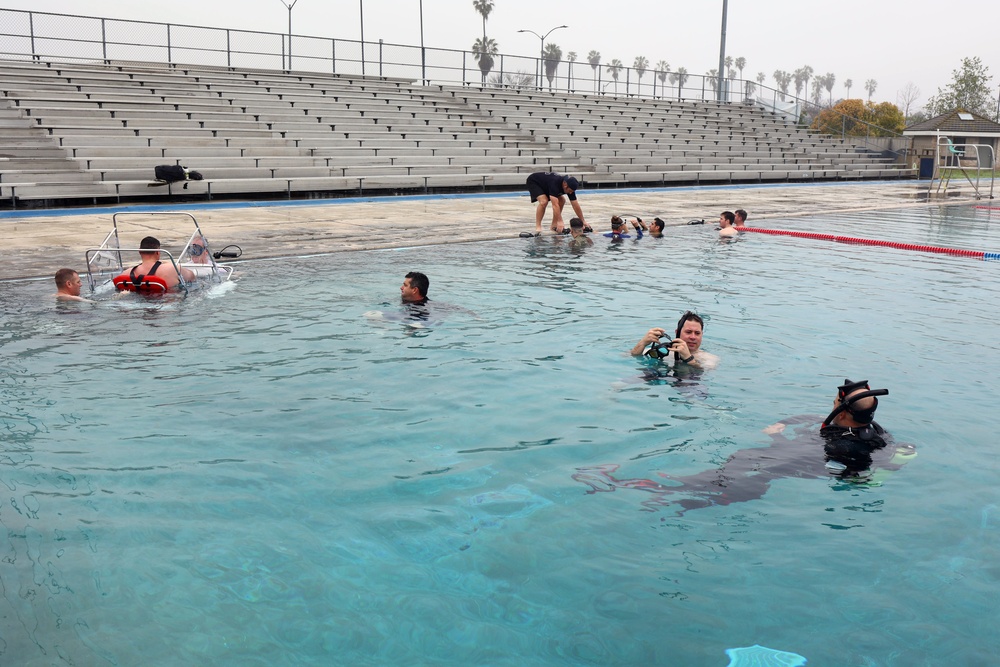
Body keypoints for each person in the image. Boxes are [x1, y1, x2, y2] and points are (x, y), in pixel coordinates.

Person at [573, 379, 915, 513]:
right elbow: (881, 467)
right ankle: (646, 492)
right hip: (773, 468)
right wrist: (787, 423)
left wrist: (778, 437)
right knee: (712, 481)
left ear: (840, 404)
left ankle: (621, 486)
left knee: (710, 483)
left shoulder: (840, 446)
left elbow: (813, 456)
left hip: (764, 470)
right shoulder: (875, 433)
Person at [630, 311, 719, 370]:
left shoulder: (709, 358)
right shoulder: (665, 350)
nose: (693, 337)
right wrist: (642, 343)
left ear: (702, 335)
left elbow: (703, 372)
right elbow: (630, 356)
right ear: (677, 332)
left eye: (697, 333)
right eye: (688, 332)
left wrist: (688, 358)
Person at [124, 236, 196, 291]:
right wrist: (168, 263)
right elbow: (192, 277)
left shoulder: (125, 274)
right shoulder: (173, 269)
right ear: (158, 252)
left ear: (139, 252)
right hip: (166, 306)